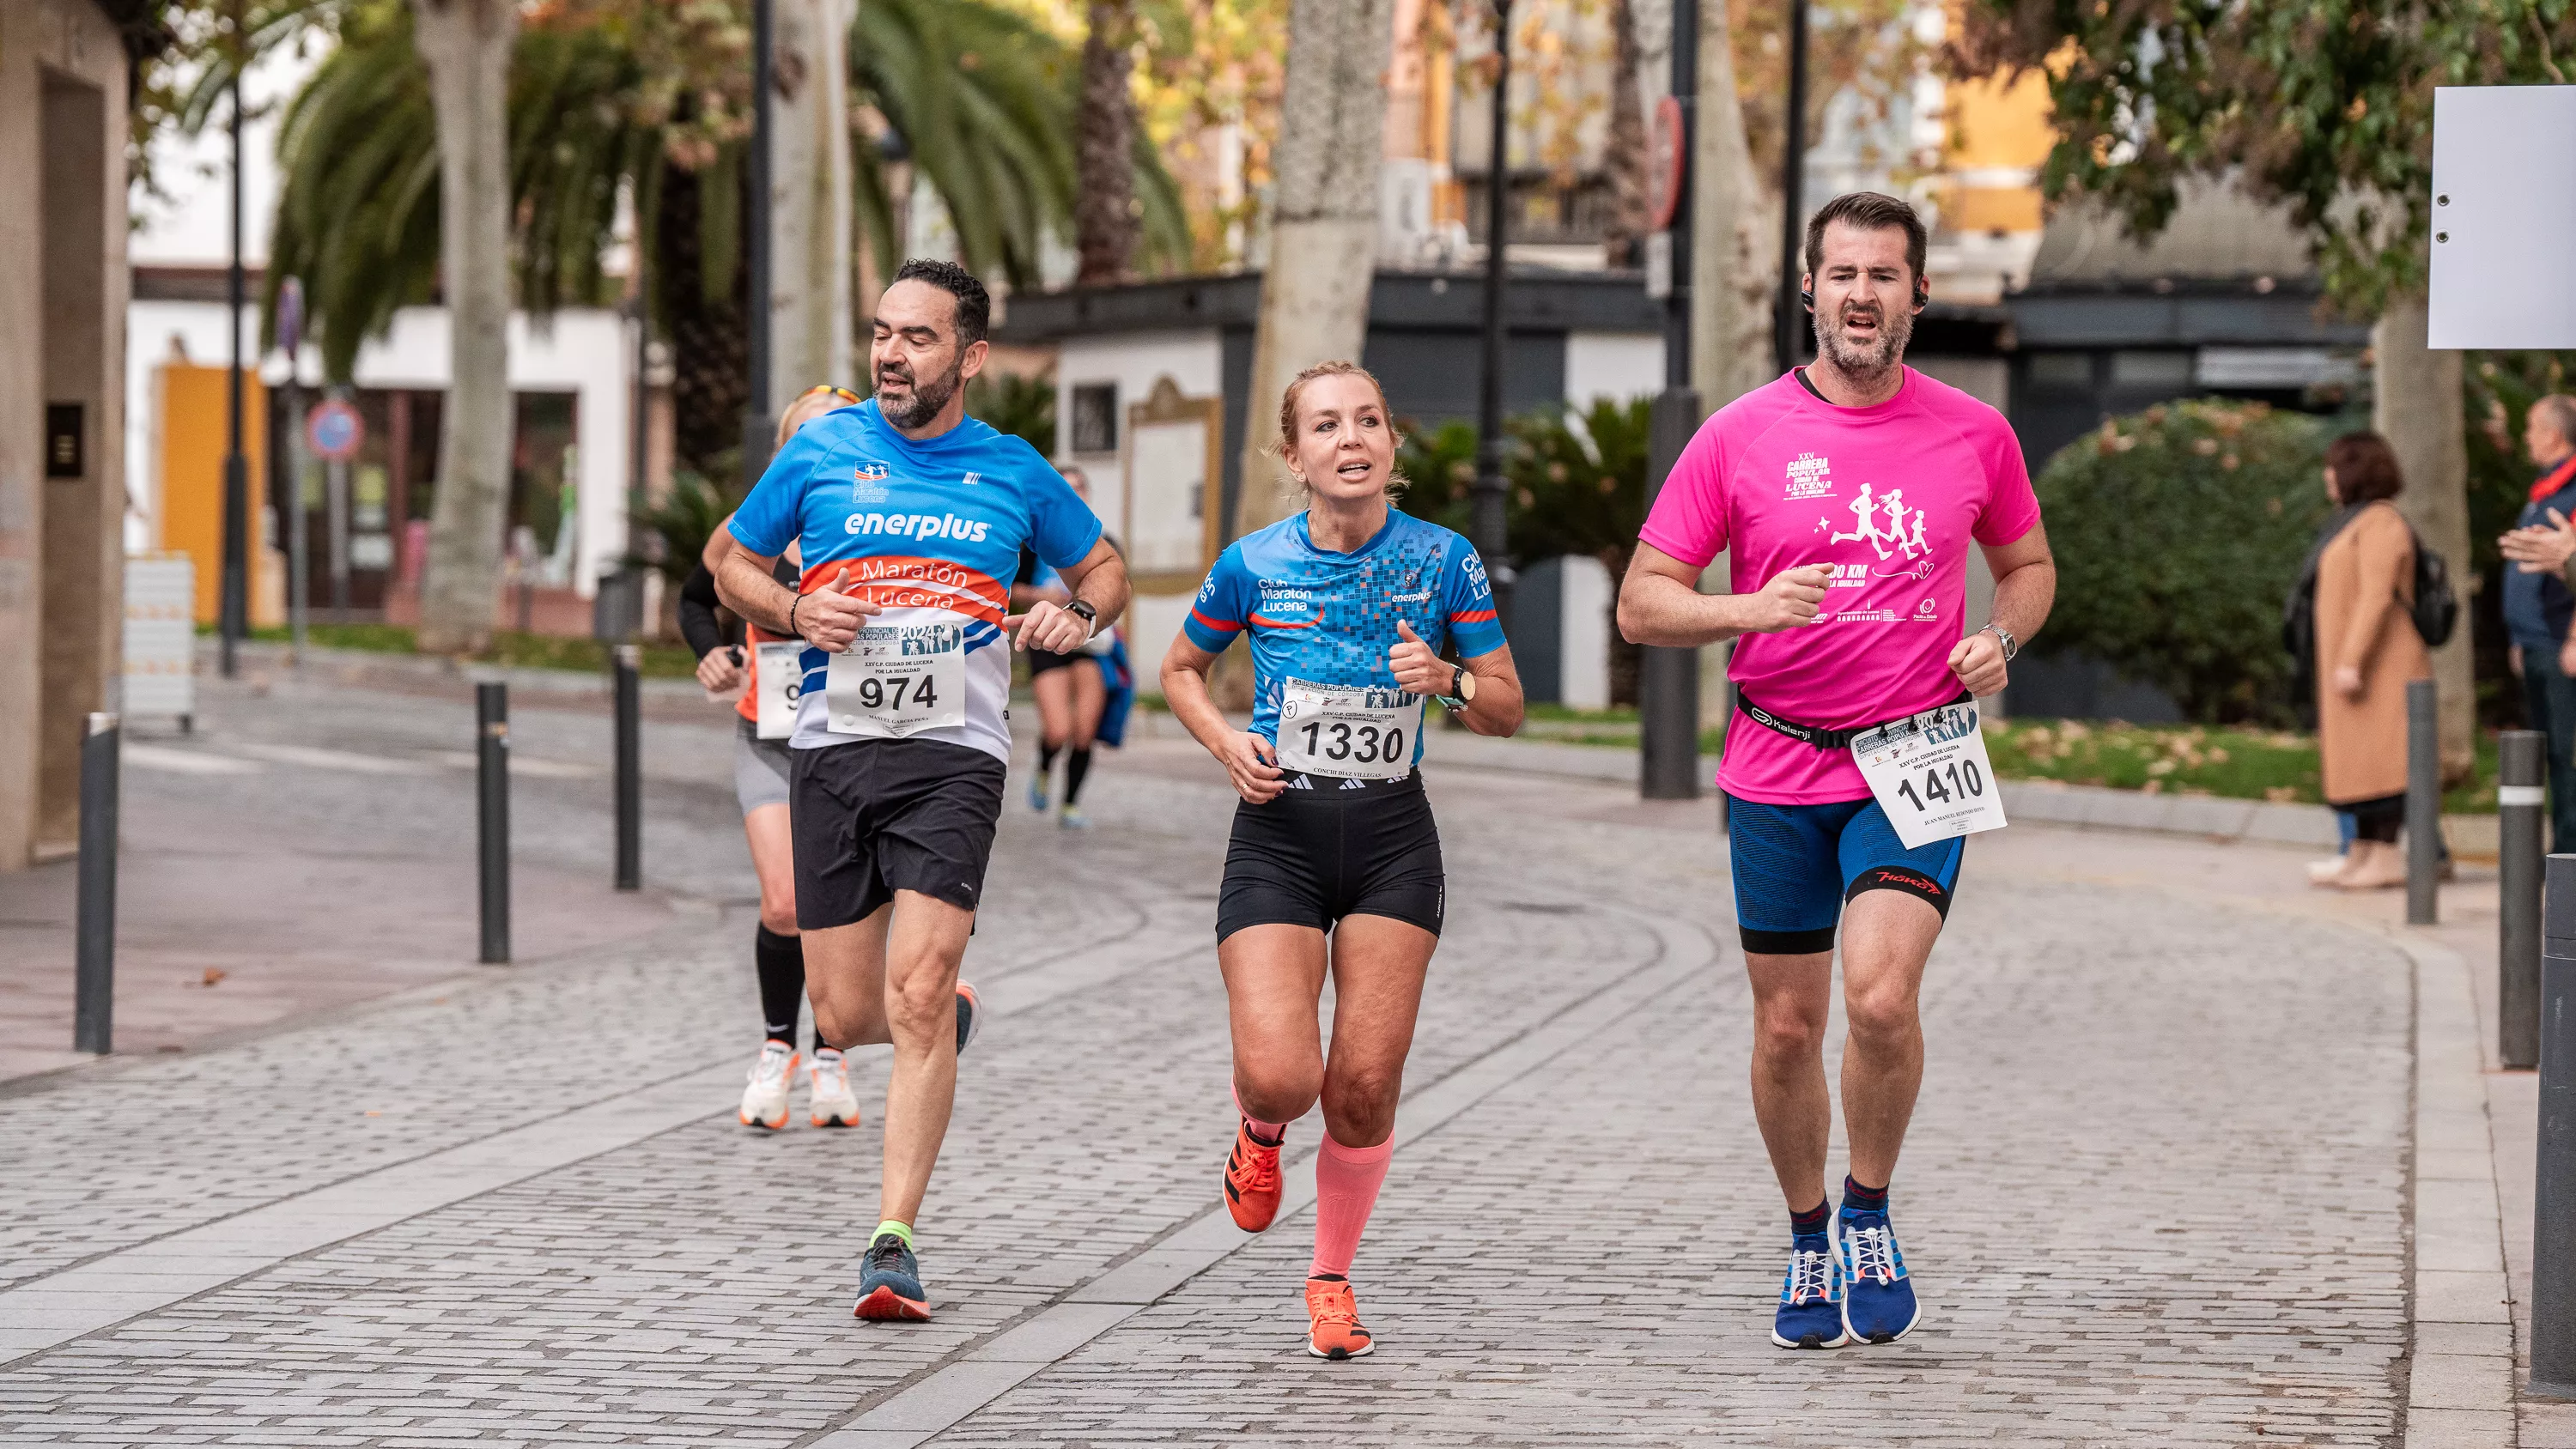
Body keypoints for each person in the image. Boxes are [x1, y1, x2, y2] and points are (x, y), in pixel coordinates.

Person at [1616, 191, 2056, 1350]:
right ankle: (1807, 1235)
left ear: (1919, 294)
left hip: (1915, 756)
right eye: (1843, 274)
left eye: (1886, 275)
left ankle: (1868, 1208)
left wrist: (2000, 639)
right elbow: (1642, 602)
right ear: (1808, 289)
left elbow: (2028, 565)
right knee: (1786, 1029)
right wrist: (1748, 607)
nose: (1863, 295)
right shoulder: (1740, 435)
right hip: (1774, 761)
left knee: (1880, 997)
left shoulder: (1974, 431)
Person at [715, 259, 1131, 1321]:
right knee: (848, 1012)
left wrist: (1074, 621)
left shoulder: (1013, 469)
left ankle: (891, 1241)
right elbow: (730, 564)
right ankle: (943, 1014)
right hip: (832, 751)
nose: (891, 354)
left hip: (956, 754)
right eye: (882, 333)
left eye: (918, 337)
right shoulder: (821, 452)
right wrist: (795, 609)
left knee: (910, 995)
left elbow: (1106, 573)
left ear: (971, 356)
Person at [1160, 360, 1524, 1361]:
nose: (1351, 439)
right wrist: (1226, 742)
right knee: (1282, 1076)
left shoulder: (1445, 560)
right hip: (1278, 830)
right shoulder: (1251, 562)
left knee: (1362, 1085)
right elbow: (1180, 667)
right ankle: (1260, 1132)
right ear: (1295, 454)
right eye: (1327, 425)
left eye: (1369, 419)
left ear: (1391, 444)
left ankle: (1329, 1275)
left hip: (1392, 839)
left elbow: (1506, 705)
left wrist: (1447, 679)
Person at [678, 385, 869, 1129]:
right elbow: (697, 599)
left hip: (853, 739)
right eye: (804, 438)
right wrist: (714, 655)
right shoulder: (748, 528)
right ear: (785, 448)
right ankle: (776, 1047)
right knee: (786, 902)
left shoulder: (875, 529)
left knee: (841, 908)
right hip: (768, 736)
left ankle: (831, 1057)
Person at [2304, 432, 2432, 889]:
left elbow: (2377, 597)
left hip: (2380, 667)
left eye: (2335, 465)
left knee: (2383, 765)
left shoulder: (2381, 523)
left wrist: (2352, 659)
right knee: (2358, 765)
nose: (2327, 476)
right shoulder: (2352, 521)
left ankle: (2385, 857)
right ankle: (2359, 852)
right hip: (2355, 668)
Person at [1014, 464, 1116, 830]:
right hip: (1045, 637)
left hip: (1090, 641)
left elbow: (1118, 593)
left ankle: (1070, 804)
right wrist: (1042, 595)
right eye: (1066, 488)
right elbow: (1009, 589)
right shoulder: (1033, 541)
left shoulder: (1104, 543)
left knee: (1085, 730)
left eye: (1080, 488)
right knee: (1058, 729)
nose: (1074, 495)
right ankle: (1043, 764)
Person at [2500, 394, 2576, 853]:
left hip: (2561, 644)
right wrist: (2518, 635)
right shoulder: (2546, 489)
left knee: (2568, 758)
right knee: (2550, 755)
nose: (2525, 436)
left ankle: (2568, 860)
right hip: (2536, 641)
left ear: (2553, 433)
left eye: (2530, 426)